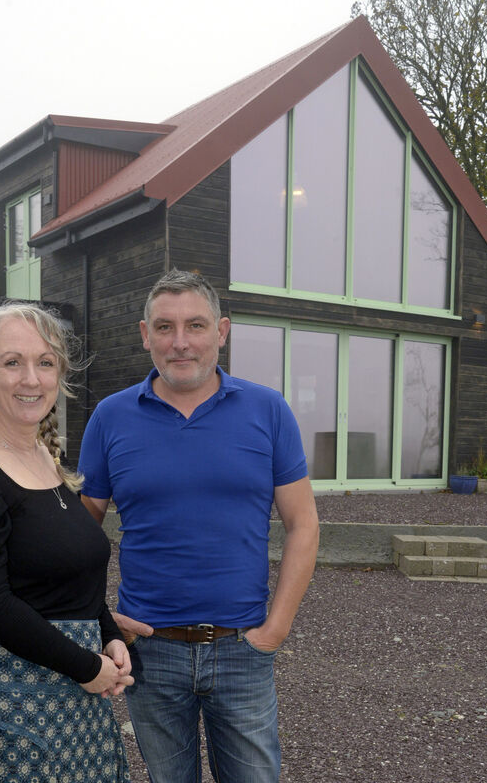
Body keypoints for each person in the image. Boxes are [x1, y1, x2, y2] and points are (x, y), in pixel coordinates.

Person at [78, 270, 319, 783]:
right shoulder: (110, 417)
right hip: (150, 652)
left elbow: (303, 525)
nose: (180, 342)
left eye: (195, 326)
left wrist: (274, 631)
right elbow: (77, 536)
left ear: (222, 332)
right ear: (145, 334)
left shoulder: (268, 411)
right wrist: (99, 620)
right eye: (165, 327)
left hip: (242, 648)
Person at [0, 302, 133, 783]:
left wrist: (108, 633)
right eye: (12, 362)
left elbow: (74, 570)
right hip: (15, 695)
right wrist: (87, 667)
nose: (31, 379)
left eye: (45, 362)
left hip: (78, 687)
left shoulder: (46, 453)